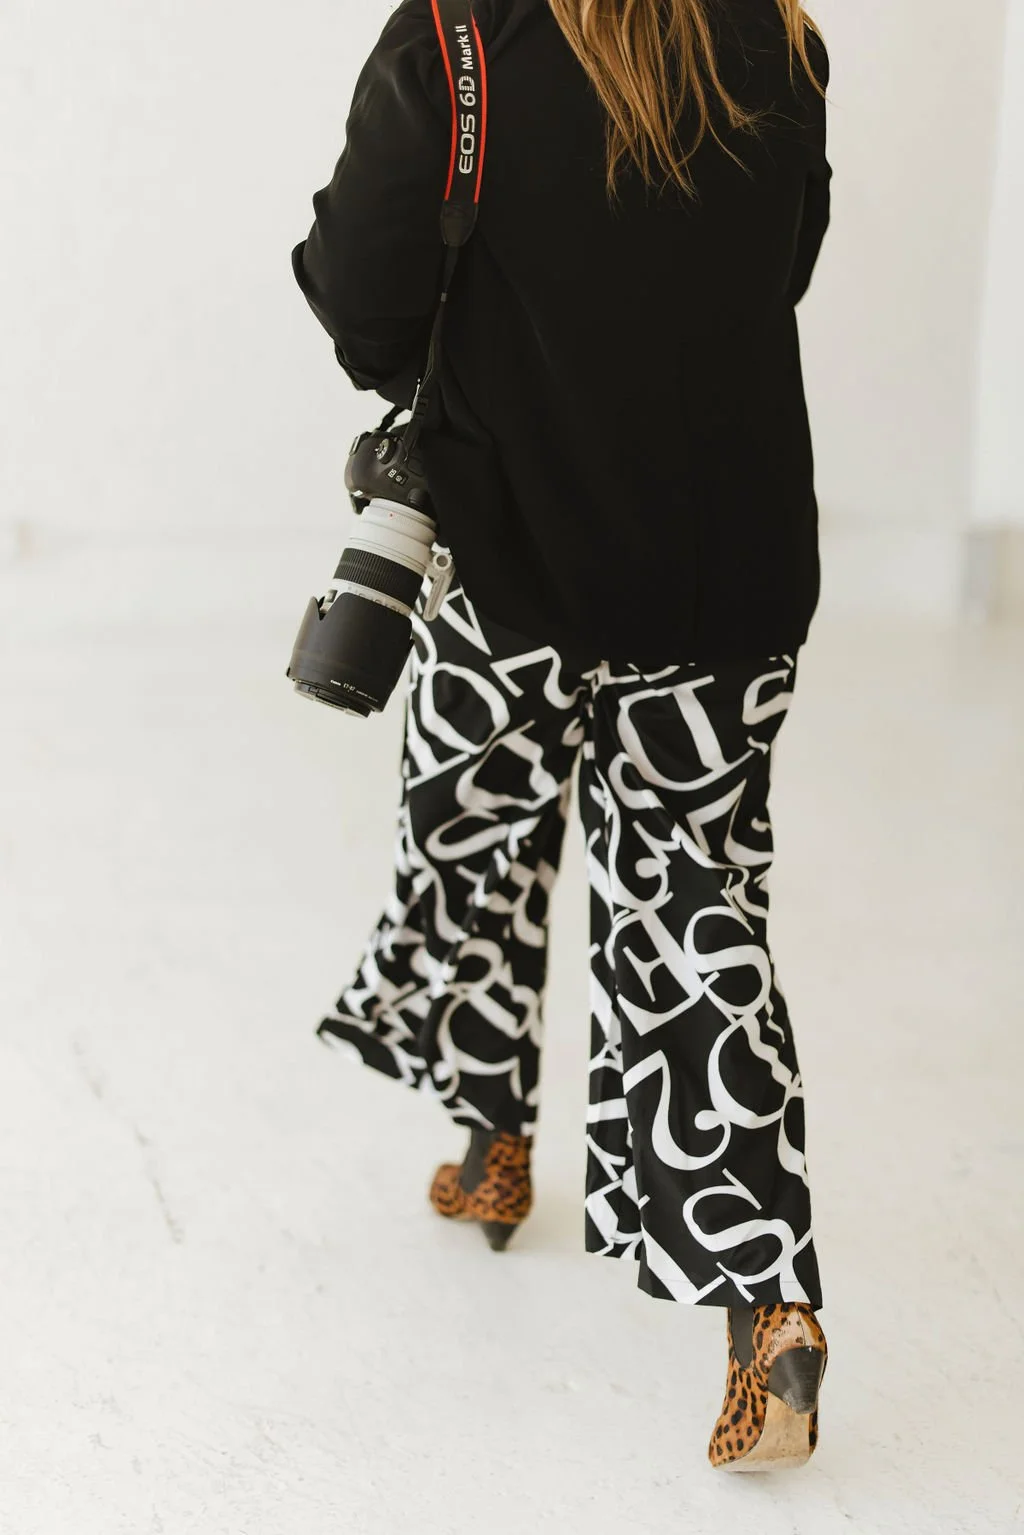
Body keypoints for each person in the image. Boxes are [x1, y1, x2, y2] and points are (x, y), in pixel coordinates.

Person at [292, 0, 832, 1472]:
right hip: (726, 567)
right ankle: (765, 1306)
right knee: (692, 910)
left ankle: (493, 1146)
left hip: (509, 561)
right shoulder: (777, 36)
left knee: (470, 835)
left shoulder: (457, 43)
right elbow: (782, 266)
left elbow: (361, 298)